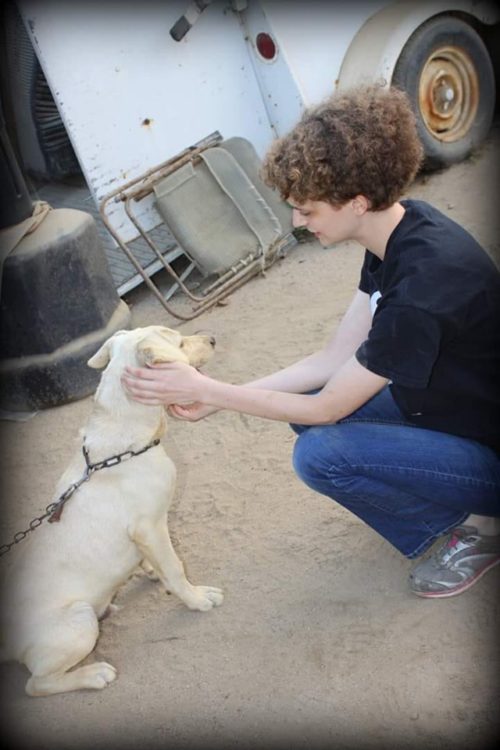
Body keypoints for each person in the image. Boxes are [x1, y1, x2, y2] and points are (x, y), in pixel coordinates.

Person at [122, 84, 500, 598]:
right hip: (452, 414)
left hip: (488, 452)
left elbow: (327, 409)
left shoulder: (423, 289)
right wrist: (216, 395)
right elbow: (332, 358)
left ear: (358, 202)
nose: (298, 224)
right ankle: (440, 498)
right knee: (298, 411)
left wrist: (210, 391)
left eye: (308, 210)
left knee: (320, 454)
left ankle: (460, 534)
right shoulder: (399, 232)